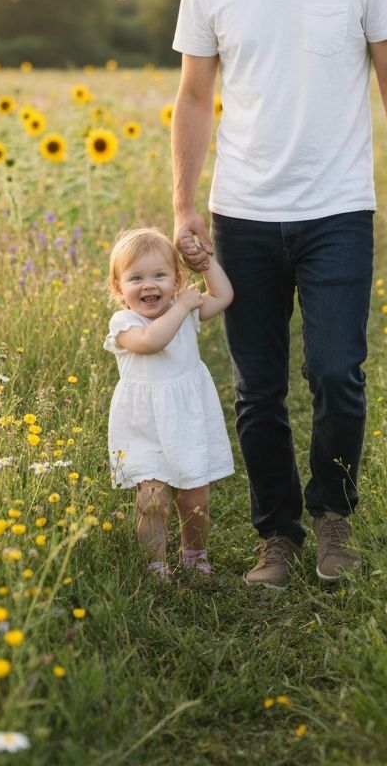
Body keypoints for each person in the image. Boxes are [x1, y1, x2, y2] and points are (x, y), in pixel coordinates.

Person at [171, 0, 387, 590]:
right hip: (242, 213)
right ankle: (276, 538)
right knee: (258, 389)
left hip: (339, 210)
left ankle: (334, 518)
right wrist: (184, 204)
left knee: (337, 371)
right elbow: (192, 96)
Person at [104, 227, 234, 576]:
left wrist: (204, 262)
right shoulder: (125, 324)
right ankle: (155, 564)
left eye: (160, 276)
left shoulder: (184, 309)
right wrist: (184, 306)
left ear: (177, 280)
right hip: (144, 425)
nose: (149, 285)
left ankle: (194, 555)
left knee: (195, 498)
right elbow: (152, 342)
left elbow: (222, 296)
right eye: (136, 278)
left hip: (187, 418)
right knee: (152, 500)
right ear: (119, 289)